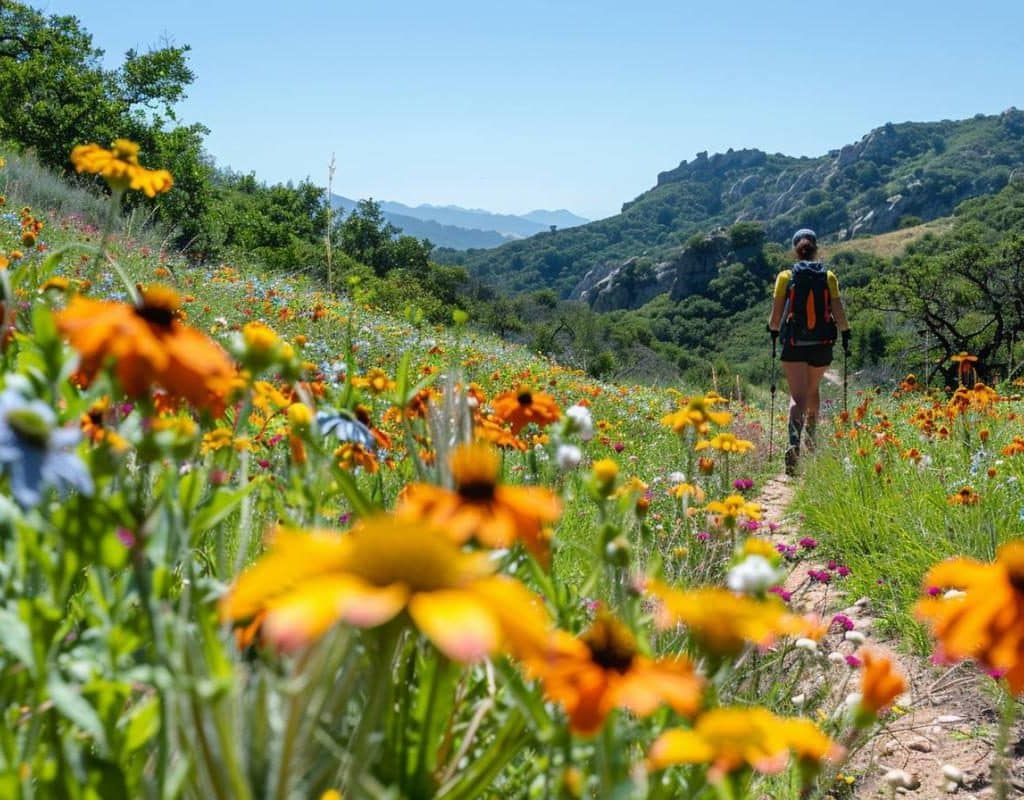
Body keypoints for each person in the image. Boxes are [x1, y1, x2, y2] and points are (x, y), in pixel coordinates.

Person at [767, 229, 850, 475]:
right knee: (812, 390)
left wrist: (773, 330)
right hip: (822, 344)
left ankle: (794, 445)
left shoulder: (785, 276)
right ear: (815, 247)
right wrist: (846, 332)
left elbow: (774, 318)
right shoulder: (829, 276)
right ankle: (812, 442)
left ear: (796, 249)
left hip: (794, 343)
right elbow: (839, 314)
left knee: (797, 396)